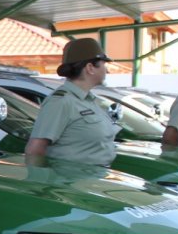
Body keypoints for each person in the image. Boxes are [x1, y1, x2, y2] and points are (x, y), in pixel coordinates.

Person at [24, 38, 119, 167]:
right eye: (103, 65)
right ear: (90, 68)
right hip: (71, 183)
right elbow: (34, 150)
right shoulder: (61, 102)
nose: (106, 70)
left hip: (93, 181)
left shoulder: (88, 100)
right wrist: (43, 185)